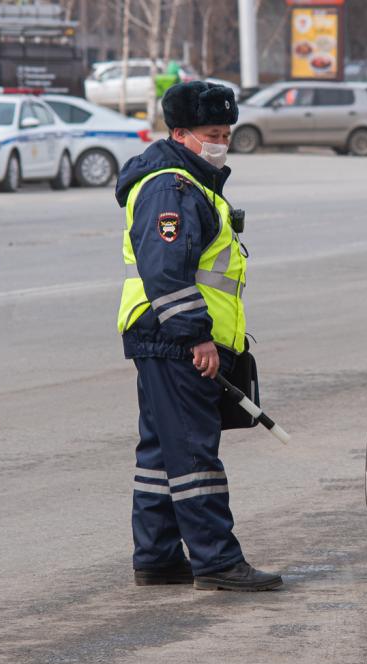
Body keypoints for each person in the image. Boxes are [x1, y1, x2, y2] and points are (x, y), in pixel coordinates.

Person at [114, 81, 282, 592]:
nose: (221, 142)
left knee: (162, 455)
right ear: (180, 132)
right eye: (212, 133)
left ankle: (158, 557)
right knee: (192, 456)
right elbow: (168, 272)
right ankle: (216, 561)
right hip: (175, 340)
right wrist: (197, 339)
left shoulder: (191, 181)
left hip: (164, 337)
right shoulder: (172, 187)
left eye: (226, 132)